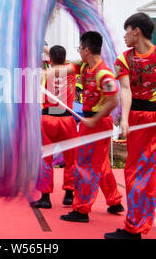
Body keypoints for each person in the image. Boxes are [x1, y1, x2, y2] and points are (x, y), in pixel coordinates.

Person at [105, 12, 156, 239]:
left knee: (138, 172)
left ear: (136, 31)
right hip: (136, 118)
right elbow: (126, 90)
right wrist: (125, 119)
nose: (124, 36)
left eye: (126, 31)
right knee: (145, 169)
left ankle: (136, 228)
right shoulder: (123, 59)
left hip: (154, 119)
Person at [60, 31, 124, 223]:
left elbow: (113, 101)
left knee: (86, 167)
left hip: (96, 124)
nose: (79, 52)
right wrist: (44, 72)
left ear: (87, 49)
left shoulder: (103, 73)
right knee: (100, 163)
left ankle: (81, 209)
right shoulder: (86, 68)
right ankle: (114, 201)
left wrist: (94, 119)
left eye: (79, 48)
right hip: (93, 124)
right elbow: (66, 69)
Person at [31, 45, 78, 209]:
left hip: (48, 119)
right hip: (67, 119)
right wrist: (48, 51)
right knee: (71, 159)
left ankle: (45, 197)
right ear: (65, 59)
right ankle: (70, 195)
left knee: (46, 159)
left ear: (50, 59)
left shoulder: (43, 74)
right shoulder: (70, 71)